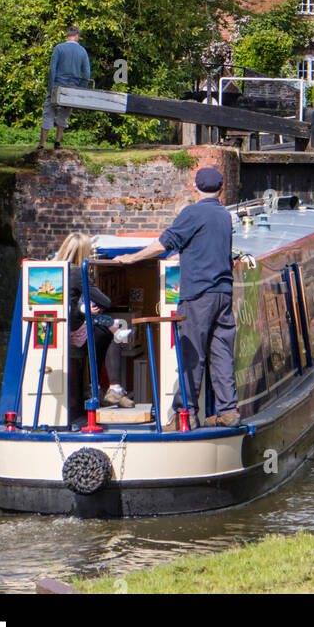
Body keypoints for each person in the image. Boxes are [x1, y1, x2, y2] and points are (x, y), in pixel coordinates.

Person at [113, 166, 238, 431]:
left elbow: (163, 243)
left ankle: (186, 415)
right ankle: (228, 411)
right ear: (221, 189)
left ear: (195, 188)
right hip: (224, 294)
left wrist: (130, 259)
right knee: (221, 353)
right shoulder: (225, 216)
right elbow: (207, 249)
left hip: (198, 295)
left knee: (191, 354)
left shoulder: (192, 212)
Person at [52, 233, 134, 411]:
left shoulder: (55, 270)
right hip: (74, 336)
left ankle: (95, 389)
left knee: (101, 331)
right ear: (84, 253)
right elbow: (105, 302)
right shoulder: (77, 272)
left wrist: (82, 308)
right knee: (116, 330)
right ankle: (114, 388)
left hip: (58, 333)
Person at [40, 25, 90, 149]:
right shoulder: (83, 51)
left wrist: (51, 87)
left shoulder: (59, 48)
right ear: (77, 36)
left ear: (67, 36)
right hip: (72, 88)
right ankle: (57, 142)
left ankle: (42, 144)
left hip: (57, 85)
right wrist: (81, 89)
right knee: (64, 115)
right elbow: (87, 73)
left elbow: (52, 69)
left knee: (48, 113)